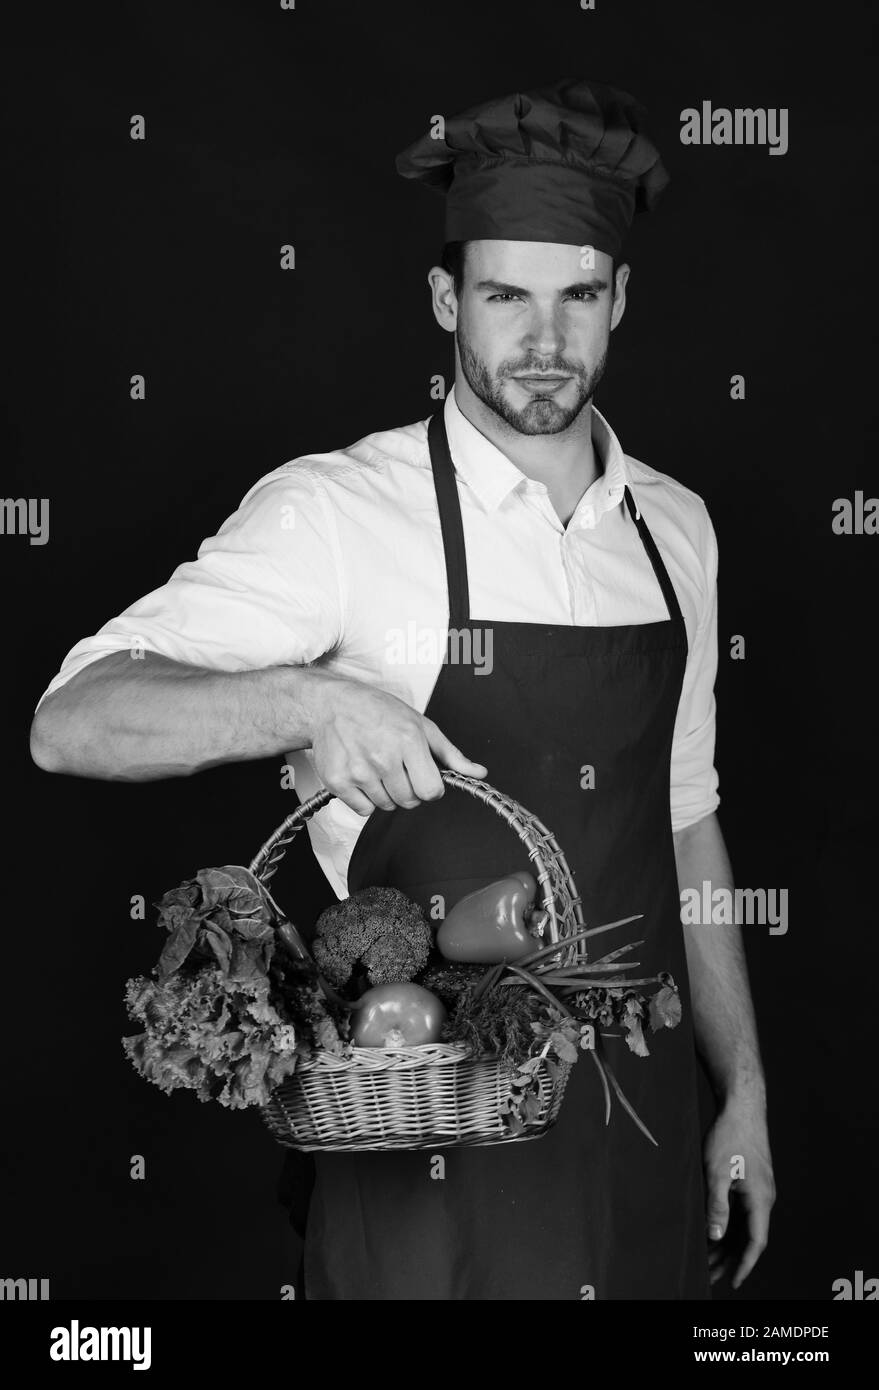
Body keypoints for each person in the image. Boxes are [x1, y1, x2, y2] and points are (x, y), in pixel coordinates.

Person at [30, 77, 775, 1301]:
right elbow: (74, 721)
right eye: (505, 296)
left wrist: (739, 1089)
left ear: (621, 300)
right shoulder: (339, 515)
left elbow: (684, 821)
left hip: (634, 1136)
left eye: (578, 294)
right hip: (422, 1141)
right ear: (446, 301)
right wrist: (311, 703)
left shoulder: (675, 532)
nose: (545, 338)